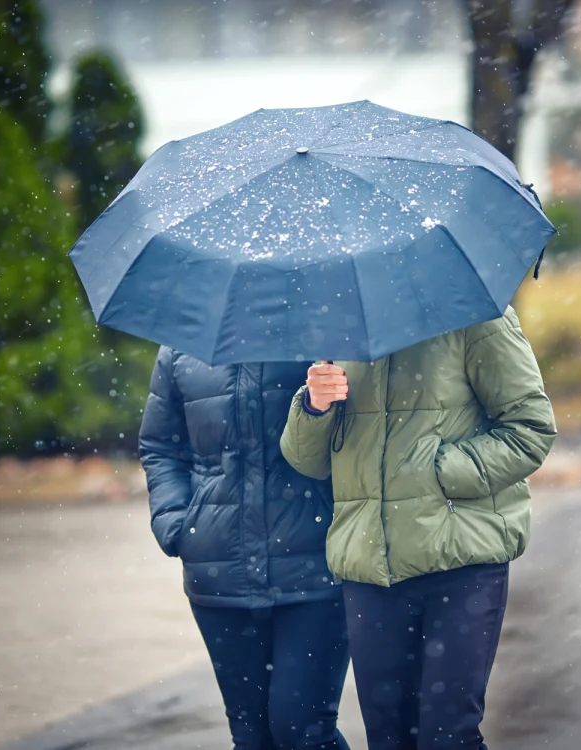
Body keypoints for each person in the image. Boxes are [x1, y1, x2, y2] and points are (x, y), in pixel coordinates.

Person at [280, 307, 556, 750]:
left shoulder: (475, 315)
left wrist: (438, 471)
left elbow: (530, 429)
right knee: (389, 738)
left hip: (460, 560)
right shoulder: (342, 326)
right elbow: (307, 460)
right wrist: (315, 406)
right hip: (370, 567)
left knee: (447, 737)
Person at [139, 347, 352, 750]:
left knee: (303, 731)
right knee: (251, 737)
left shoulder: (322, 334)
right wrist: (176, 524)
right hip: (218, 573)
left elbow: (355, 437)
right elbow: (161, 446)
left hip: (314, 569)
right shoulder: (180, 348)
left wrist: (319, 403)